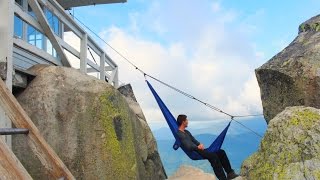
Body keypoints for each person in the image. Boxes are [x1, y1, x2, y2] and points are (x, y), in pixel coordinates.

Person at [176, 114, 239, 180]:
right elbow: (188, 146)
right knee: (213, 157)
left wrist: (200, 144)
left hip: (199, 150)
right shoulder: (179, 134)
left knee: (221, 152)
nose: (187, 121)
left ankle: (230, 173)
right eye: (186, 120)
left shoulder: (186, 132)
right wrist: (197, 147)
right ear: (183, 122)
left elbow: (194, 140)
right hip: (195, 152)